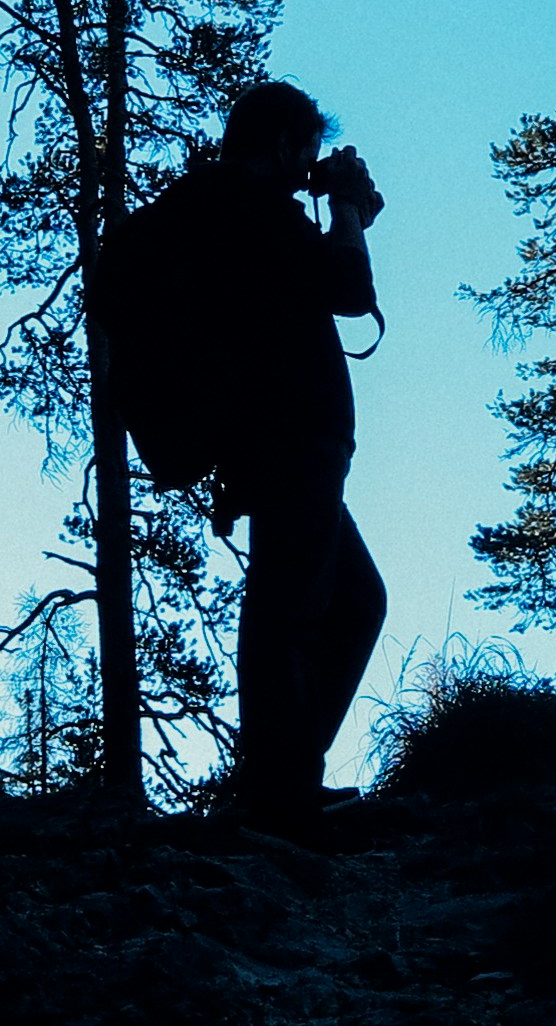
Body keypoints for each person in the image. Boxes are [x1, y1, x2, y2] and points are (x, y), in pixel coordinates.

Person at [172, 80, 387, 829]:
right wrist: (347, 210)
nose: (309, 169)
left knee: (348, 600)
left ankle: (282, 780)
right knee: (290, 608)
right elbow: (349, 289)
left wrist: (340, 214)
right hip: (291, 440)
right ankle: (278, 796)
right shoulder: (251, 210)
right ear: (283, 145)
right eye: (307, 152)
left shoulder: (227, 211)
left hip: (280, 442)